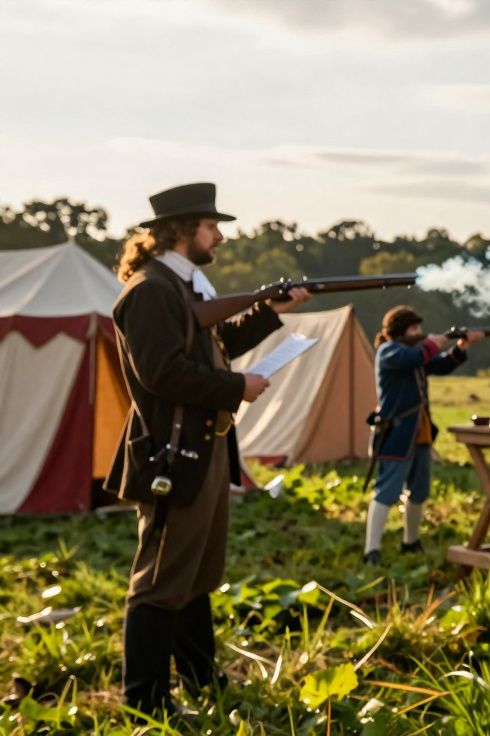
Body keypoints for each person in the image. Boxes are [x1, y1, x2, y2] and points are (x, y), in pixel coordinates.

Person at [106, 182, 311, 716]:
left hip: (201, 447)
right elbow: (162, 373)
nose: (219, 235)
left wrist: (269, 310)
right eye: (211, 225)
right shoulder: (153, 291)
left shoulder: (182, 289)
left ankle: (200, 679)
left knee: (195, 574)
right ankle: (146, 701)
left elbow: (213, 347)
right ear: (182, 229)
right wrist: (234, 389)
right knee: (160, 582)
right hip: (174, 452)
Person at [365, 307, 482, 565]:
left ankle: (411, 541)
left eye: (419, 329)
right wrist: (432, 343)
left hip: (420, 432)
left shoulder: (415, 354)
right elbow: (416, 356)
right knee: (386, 492)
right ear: (400, 332)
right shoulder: (390, 351)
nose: (419, 333)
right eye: (414, 329)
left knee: (419, 491)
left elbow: (440, 364)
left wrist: (461, 347)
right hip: (396, 432)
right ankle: (371, 550)